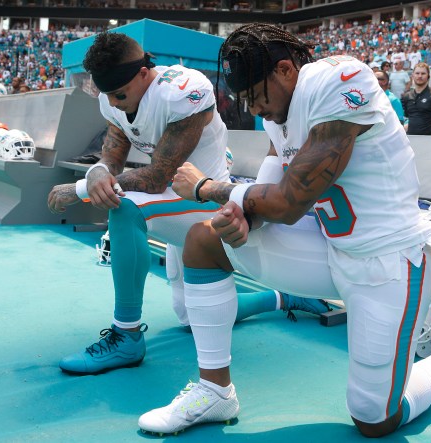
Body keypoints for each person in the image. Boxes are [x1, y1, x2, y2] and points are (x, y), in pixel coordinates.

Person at [137, 23, 431, 437]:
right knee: (204, 238)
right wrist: (242, 217)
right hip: (327, 248)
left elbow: (288, 202)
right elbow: (266, 201)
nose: (253, 109)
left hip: (389, 261)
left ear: (286, 70)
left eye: (255, 96)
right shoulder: (279, 112)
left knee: (374, 420)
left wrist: (208, 187)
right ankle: (215, 391)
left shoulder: (338, 81)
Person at [46, 32, 328, 376]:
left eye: (121, 94)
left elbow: (158, 178)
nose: (116, 103)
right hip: (172, 203)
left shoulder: (183, 90)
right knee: (188, 315)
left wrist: (80, 189)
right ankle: (284, 297)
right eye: (110, 96)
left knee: (126, 206)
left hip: (204, 197)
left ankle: (126, 335)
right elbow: (115, 148)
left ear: (144, 74)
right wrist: (99, 171)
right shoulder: (114, 100)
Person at [402, 62, 431, 135]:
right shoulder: (407, 96)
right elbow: (408, 118)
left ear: (428, 76)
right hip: (411, 139)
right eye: (417, 73)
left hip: (430, 140)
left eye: (423, 73)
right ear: (413, 76)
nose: (420, 76)